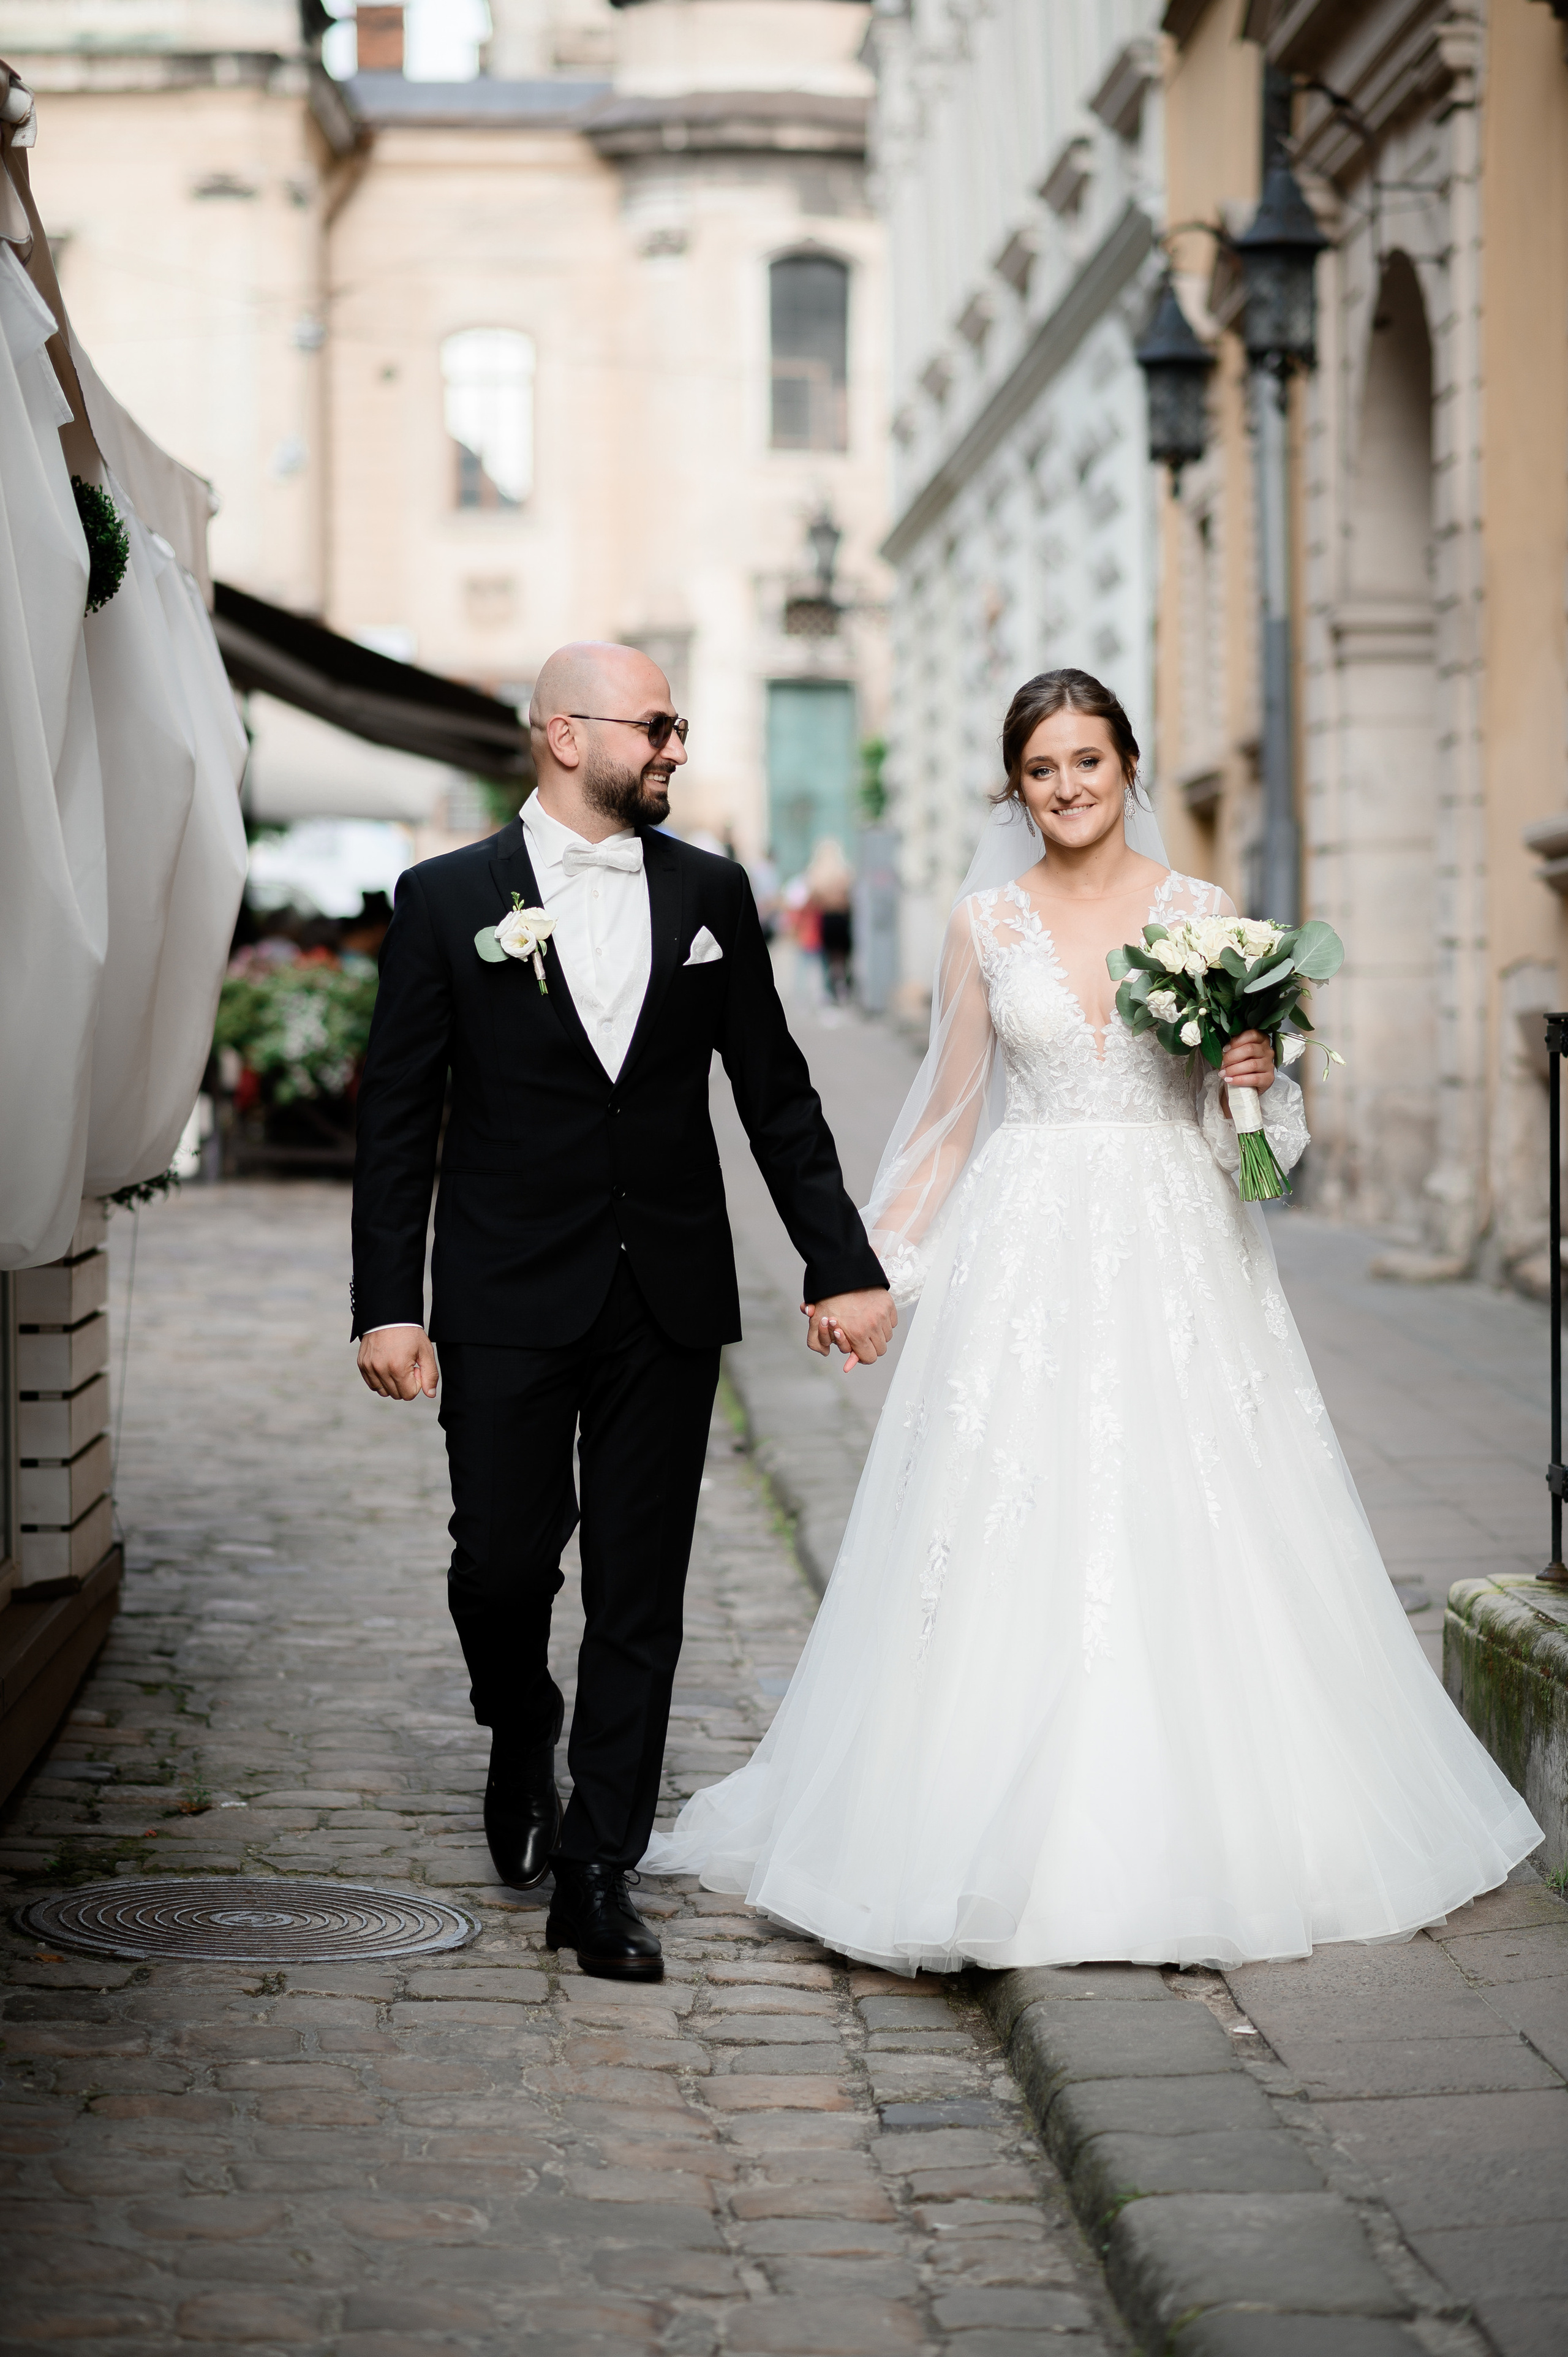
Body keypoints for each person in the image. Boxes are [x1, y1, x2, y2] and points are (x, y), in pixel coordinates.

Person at [643, 667, 1542, 1972]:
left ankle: (1216, 1824)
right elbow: (949, 1123)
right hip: (1024, 1245)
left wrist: (1252, 1080)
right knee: (1015, 1507)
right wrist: (871, 1268)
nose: (1066, 787)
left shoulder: (1206, 916)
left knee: (1195, 1506)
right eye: (1041, 767)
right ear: (1013, 784)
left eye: (1089, 761)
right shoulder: (980, 923)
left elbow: (1262, 1162)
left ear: (1127, 766)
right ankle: (976, 1819)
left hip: (1178, 1249)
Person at [350, 642, 894, 1981]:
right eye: (654, 725)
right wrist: (387, 1303)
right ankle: (517, 1717)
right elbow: (397, 1117)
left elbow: (774, 1092)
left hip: (663, 1293)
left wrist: (840, 1261)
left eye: (678, 724)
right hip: (501, 1295)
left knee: (638, 1594)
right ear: (562, 733)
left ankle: (599, 1869)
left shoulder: (710, 892)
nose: (674, 747)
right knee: (499, 1563)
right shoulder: (443, 899)